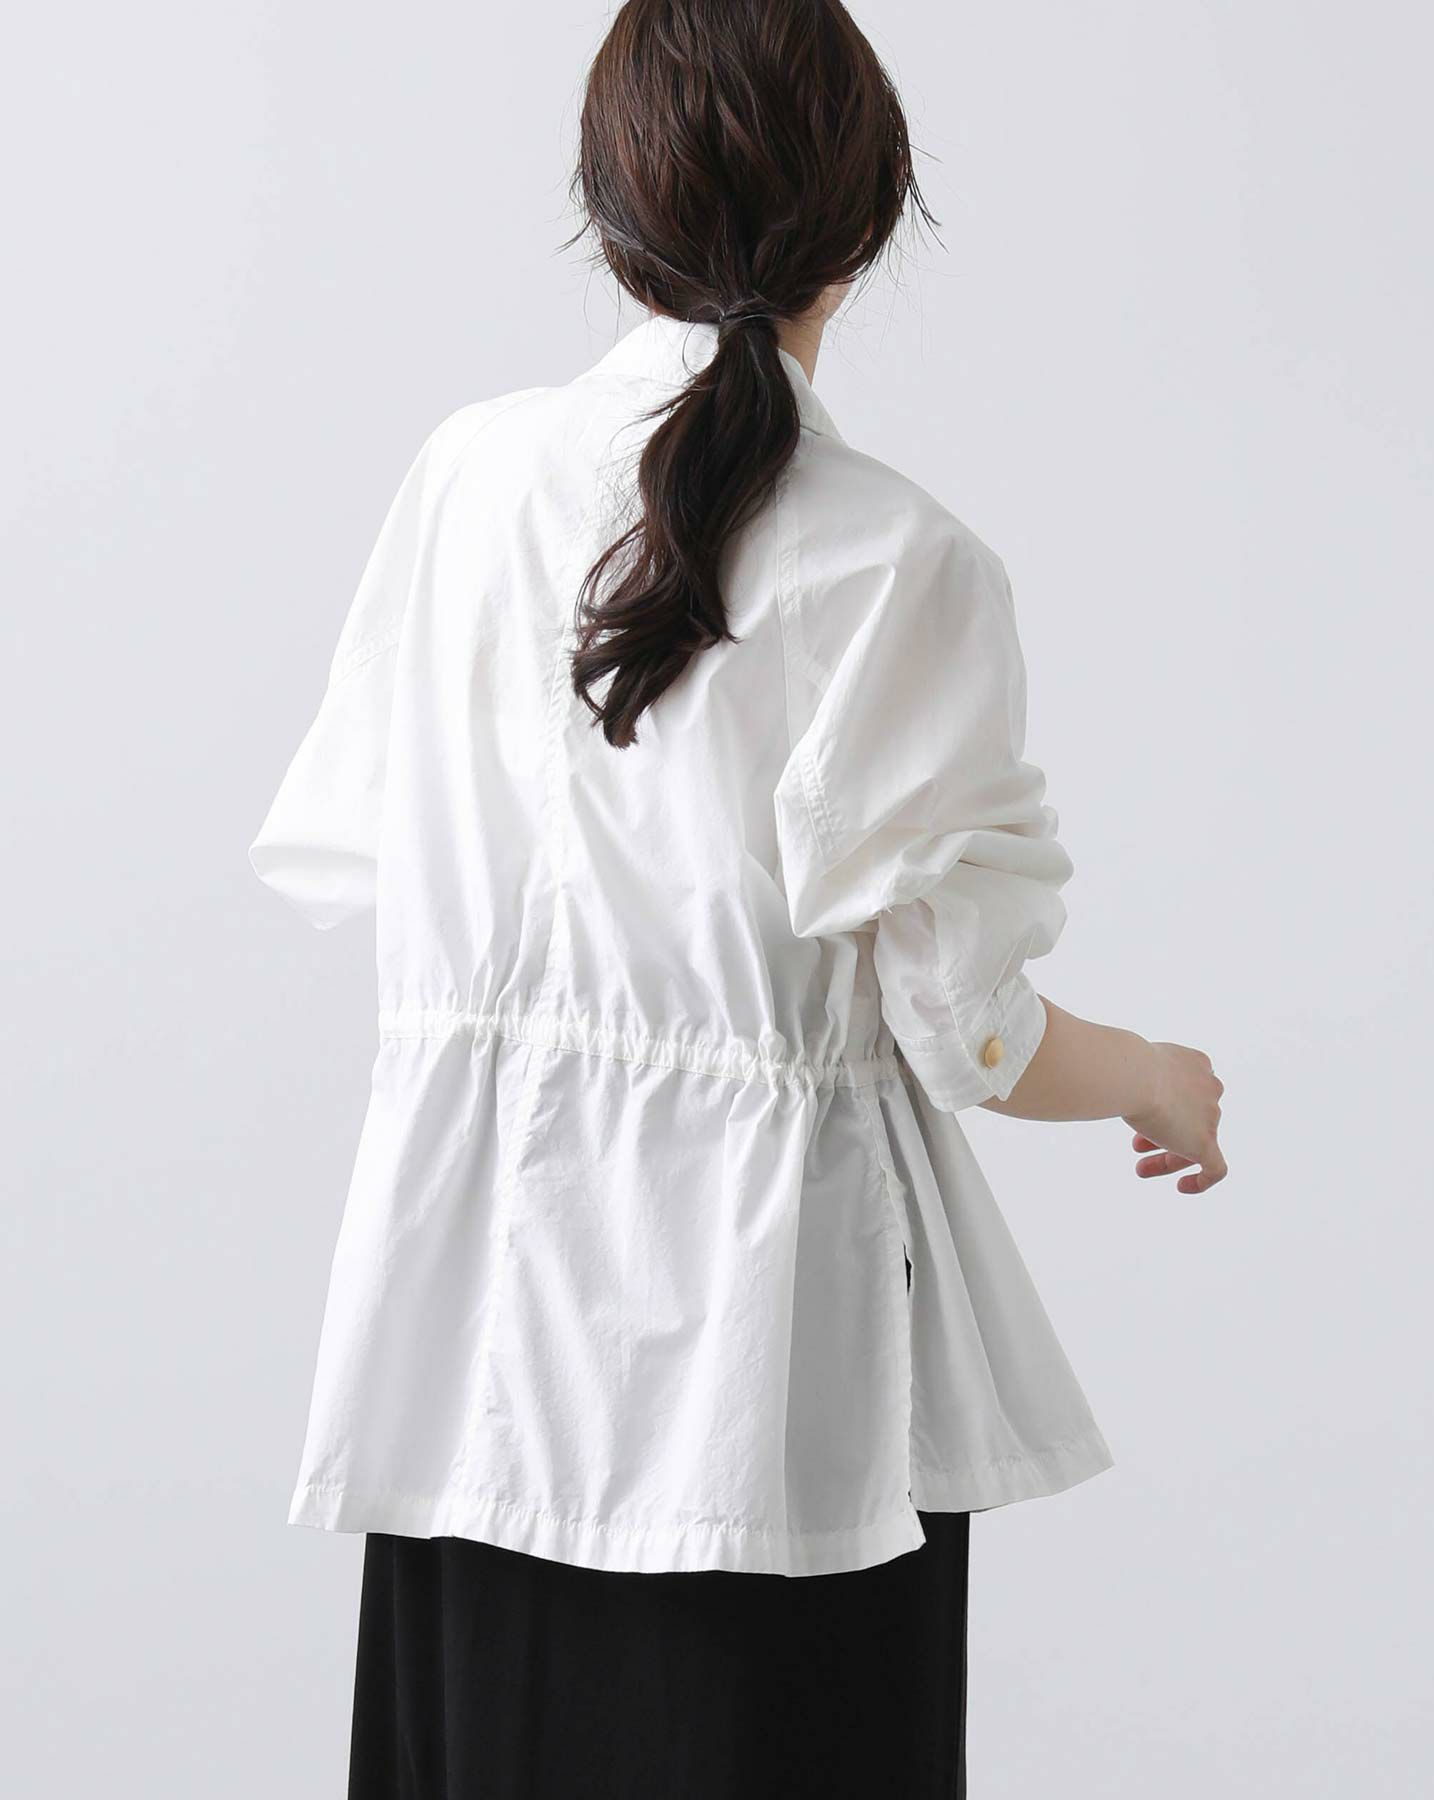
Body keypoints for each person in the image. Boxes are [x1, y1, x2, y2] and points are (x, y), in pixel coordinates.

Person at [249, 1, 1226, 1794]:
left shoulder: (466, 483)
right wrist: (1158, 1078)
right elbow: (968, 1033)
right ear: (868, 221)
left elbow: (393, 865)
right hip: (772, 1414)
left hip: (468, 1369)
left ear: (608, 201)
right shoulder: (905, 562)